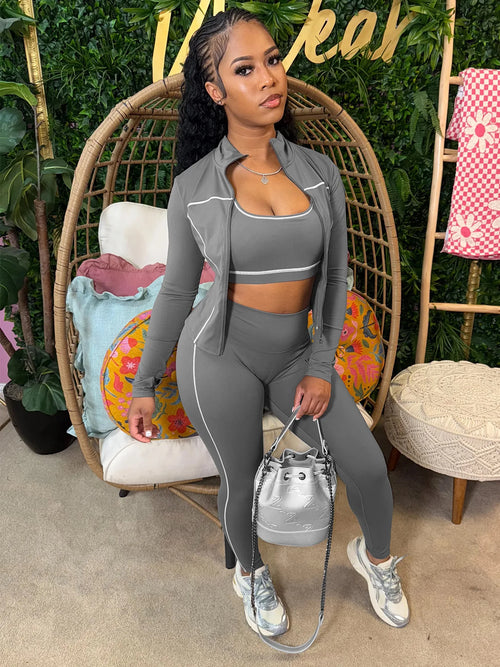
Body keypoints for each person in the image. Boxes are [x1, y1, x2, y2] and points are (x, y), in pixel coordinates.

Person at [128, 8, 409, 637]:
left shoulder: (320, 173)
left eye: (274, 60)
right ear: (216, 91)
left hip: (294, 354)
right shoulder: (194, 187)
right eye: (245, 69)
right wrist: (144, 383)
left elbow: (334, 280)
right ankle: (250, 572)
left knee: (366, 464)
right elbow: (177, 291)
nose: (268, 78)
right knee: (243, 475)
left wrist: (319, 366)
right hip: (218, 354)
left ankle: (377, 559)